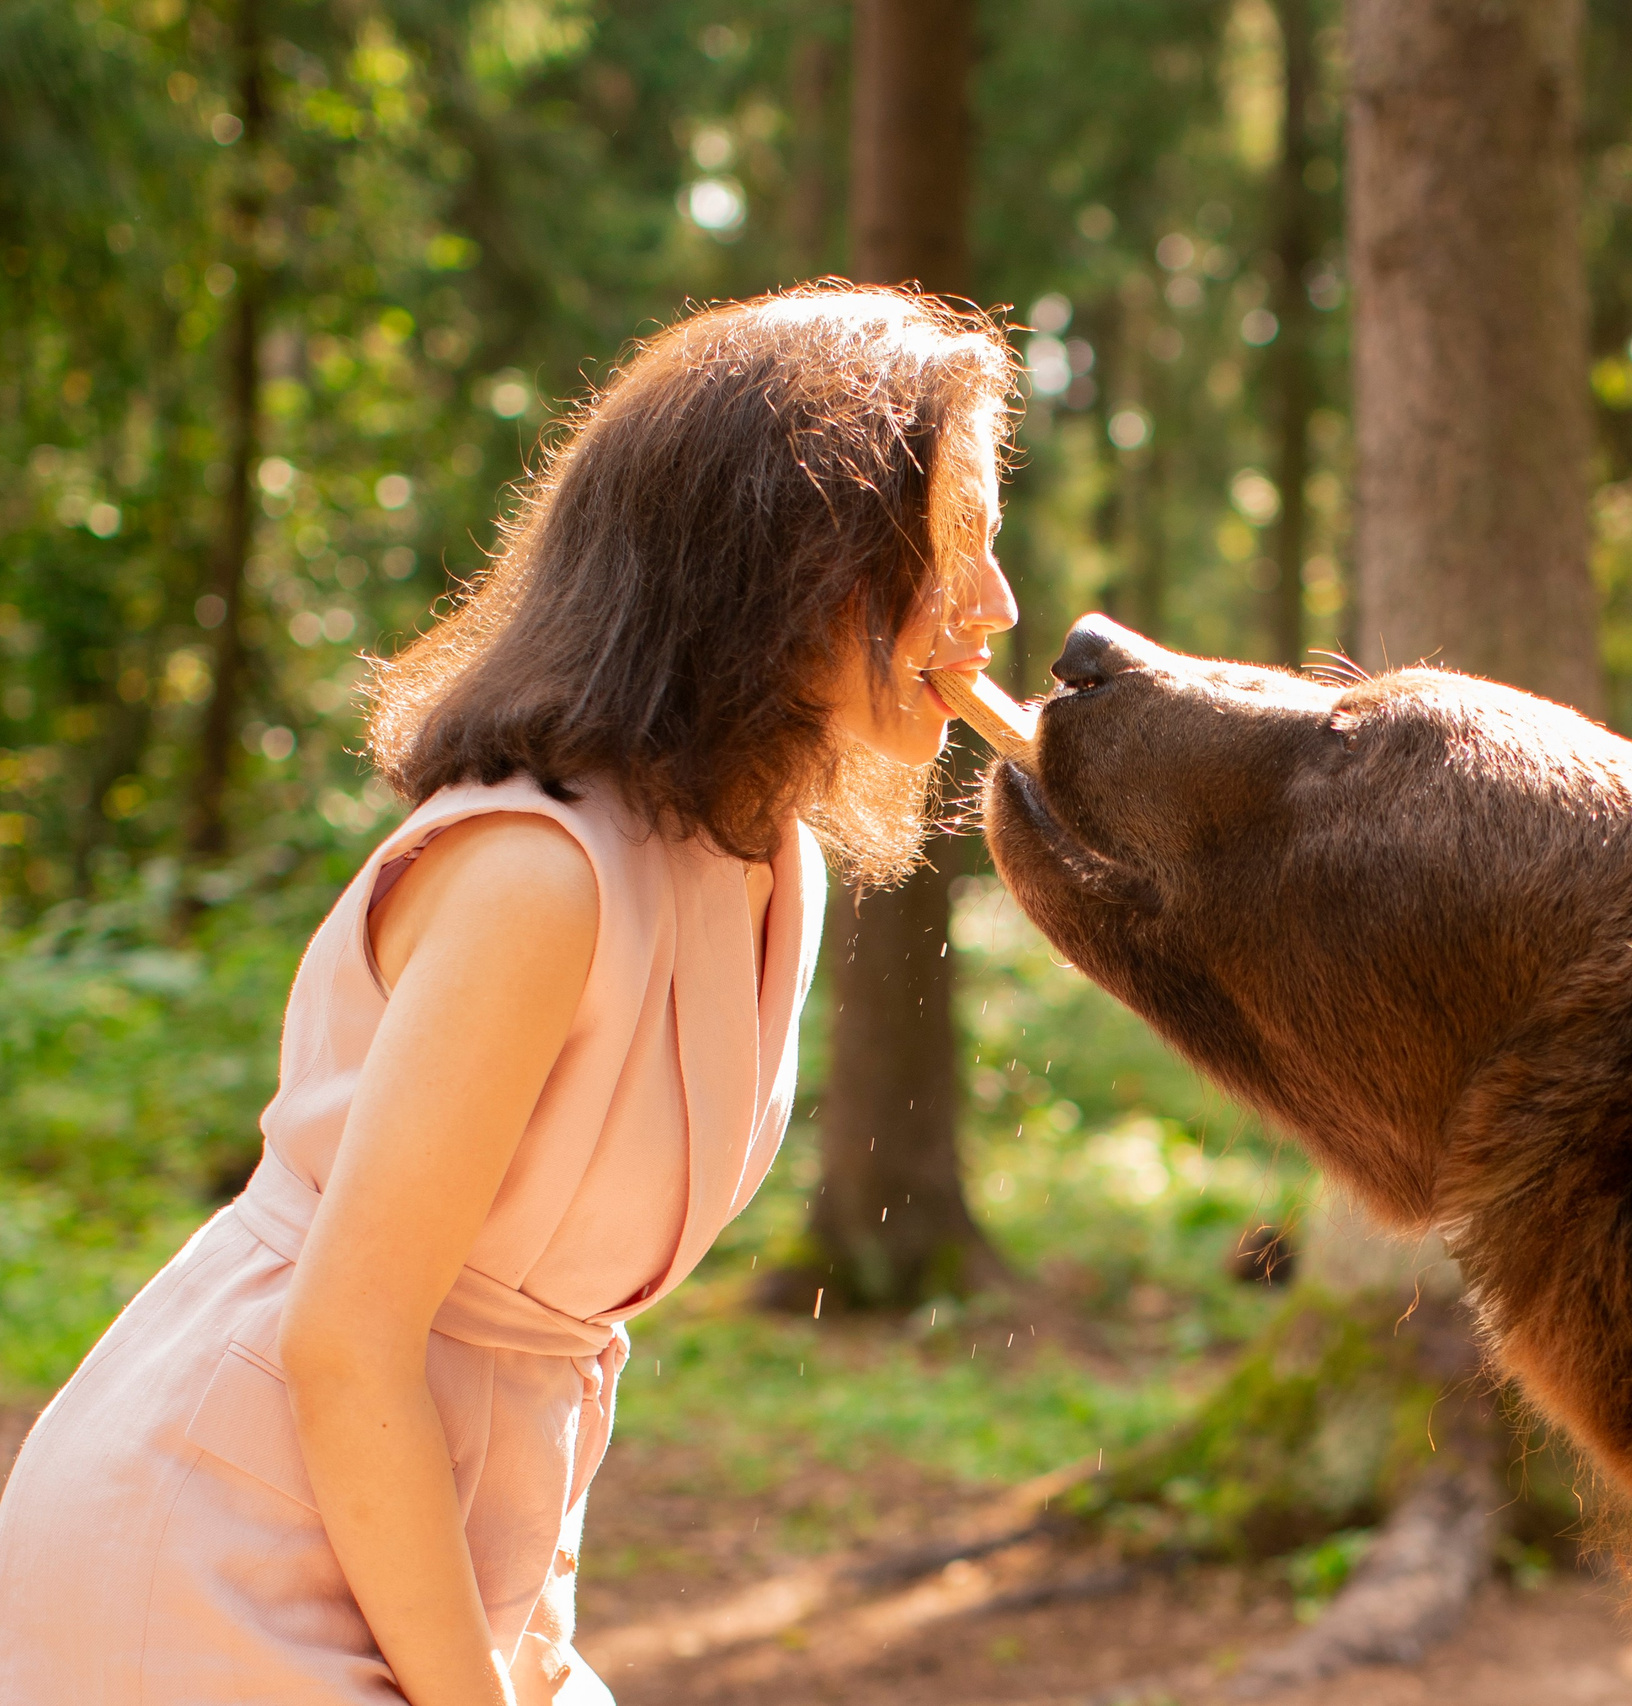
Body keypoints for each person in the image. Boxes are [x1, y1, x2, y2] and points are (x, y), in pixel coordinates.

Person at [0, 284, 1019, 1705]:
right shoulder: (536, 879)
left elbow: (530, 1360)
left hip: (437, 1556)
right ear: (794, 558)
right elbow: (348, 1342)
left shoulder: (776, 861)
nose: (998, 605)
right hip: (206, 1551)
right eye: (952, 544)